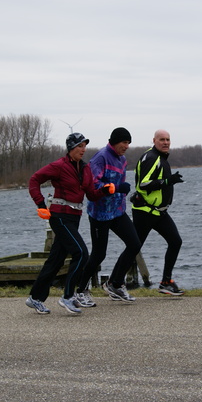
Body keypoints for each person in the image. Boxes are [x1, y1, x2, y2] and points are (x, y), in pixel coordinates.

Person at [25, 132, 114, 314]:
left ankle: (34, 298)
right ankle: (67, 297)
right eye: (80, 146)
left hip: (74, 218)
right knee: (81, 253)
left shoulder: (85, 169)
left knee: (55, 261)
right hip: (59, 216)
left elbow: (91, 195)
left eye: (84, 146)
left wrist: (105, 190)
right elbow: (34, 180)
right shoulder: (58, 166)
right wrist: (41, 204)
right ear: (71, 148)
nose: (83, 149)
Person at [74, 127, 141, 306]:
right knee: (98, 254)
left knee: (134, 244)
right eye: (124, 142)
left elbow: (120, 183)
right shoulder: (101, 157)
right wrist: (117, 188)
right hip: (100, 213)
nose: (126, 146)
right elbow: (93, 184)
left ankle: (115, 284)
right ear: (114, 141)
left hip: (117, 211)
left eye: (128, 143)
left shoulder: (122, 160)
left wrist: (124, 191)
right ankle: (79, 291)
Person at [131, 129, 185, 295]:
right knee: (134, 246)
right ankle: (114, 282)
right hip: (145, 211)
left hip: (159, 212)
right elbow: (144, 184)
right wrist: (168, 181)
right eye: (162, 139)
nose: (166, 142)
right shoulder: (152, 158)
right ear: (154, 140)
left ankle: (166, 282)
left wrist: (169, 182)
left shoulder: (161, 158)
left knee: (175, 241)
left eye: (168, 139)